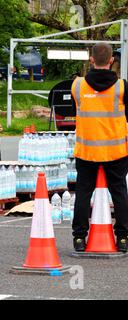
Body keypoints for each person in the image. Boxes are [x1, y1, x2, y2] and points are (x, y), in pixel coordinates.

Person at [71, 43, 128, 252]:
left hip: (87, 151)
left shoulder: (77, 86)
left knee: (83, 193)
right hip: (116, 151)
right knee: (120, 192)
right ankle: (123, 238)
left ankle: (79, 238)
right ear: (112, 60)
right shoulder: (122, 86)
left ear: (91, 60)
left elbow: (74, 112)